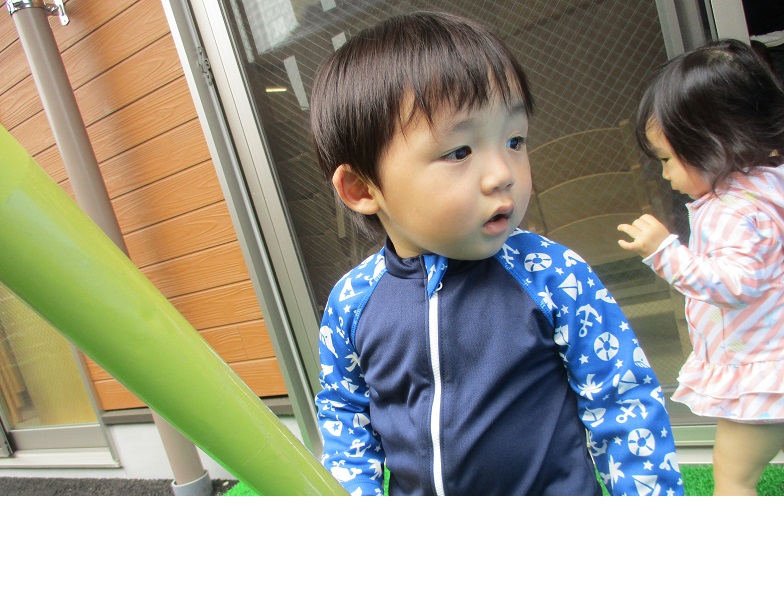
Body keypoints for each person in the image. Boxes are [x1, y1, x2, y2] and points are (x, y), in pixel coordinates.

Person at [310, 11, 684, 496]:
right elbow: (344, 412)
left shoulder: (552, 275)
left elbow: (621, 397)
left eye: (514, 141)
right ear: (362, 188)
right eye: (459, 152)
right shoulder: (352, 303)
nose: (502, 174)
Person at [617, 39, 784, 496]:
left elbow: (736, 285)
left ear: (714, 143)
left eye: (668, 159)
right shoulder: (770, 186)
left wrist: (663, 252)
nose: (665, 175)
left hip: (764, 374)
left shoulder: (732, 209)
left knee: (733, 477)